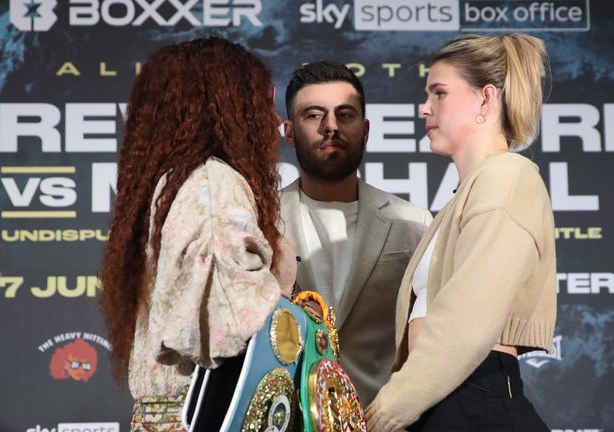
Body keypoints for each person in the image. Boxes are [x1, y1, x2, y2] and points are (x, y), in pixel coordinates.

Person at [99, 37, 296, 431]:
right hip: (208, 416)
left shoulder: (171, 184)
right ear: (228, 109)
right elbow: (230, 328)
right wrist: (283, 287)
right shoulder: (212, 184)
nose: (273, 119)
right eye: (258, 101)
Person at [365, 33, 557, 431]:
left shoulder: (508, 177)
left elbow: (468, 318)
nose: (424, 108)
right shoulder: (473, 190)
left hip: (472, 401)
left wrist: (388, 410)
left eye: (439, 93)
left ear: (486, 99)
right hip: (444, 400)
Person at [280, 61, 432, 406]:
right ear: (289, 132)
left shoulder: (413, 223)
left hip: (381, 419)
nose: (330, 127)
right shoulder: (260, 222)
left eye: (344, 115)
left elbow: (430, 343)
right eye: (314, 115)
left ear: (364, 129)